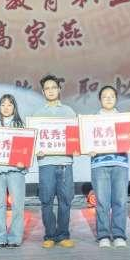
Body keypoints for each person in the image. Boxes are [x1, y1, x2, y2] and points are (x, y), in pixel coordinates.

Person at [33, 74, 76, 248]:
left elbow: (75, 136)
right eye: (47, 88)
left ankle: (63, 234)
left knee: (65, 200)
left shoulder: (69, 112)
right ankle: (50, 235)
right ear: (43, 92)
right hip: (46, 163)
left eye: (53, 87)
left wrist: (77, 146)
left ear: (59, 90)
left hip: (65, 162)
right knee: (46, 200)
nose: (50, 91)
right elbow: (33, 141)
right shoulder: (37, 115)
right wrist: (36, 148)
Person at [91, 85, 129, 248]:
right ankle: (103, 235)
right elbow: (86, 141)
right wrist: (88, 148)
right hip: (99, 164)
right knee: (102, 202)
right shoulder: (92, 121)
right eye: (105, 96)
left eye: (111, 96)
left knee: (120, 200)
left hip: (120, 163)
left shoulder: (124, 119)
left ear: (116, 99)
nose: (108, 99)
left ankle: (119, 234)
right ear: (100, 99)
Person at [0, 93, 28, 248]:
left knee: (17, 205)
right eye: (3, 104)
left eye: (10, 104)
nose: (6, 107)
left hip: (15, 170)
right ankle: (1, 237)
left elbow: (26, 149)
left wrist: (23, 162)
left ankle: (15, 237)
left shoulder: (20, 126)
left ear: (14, 107)